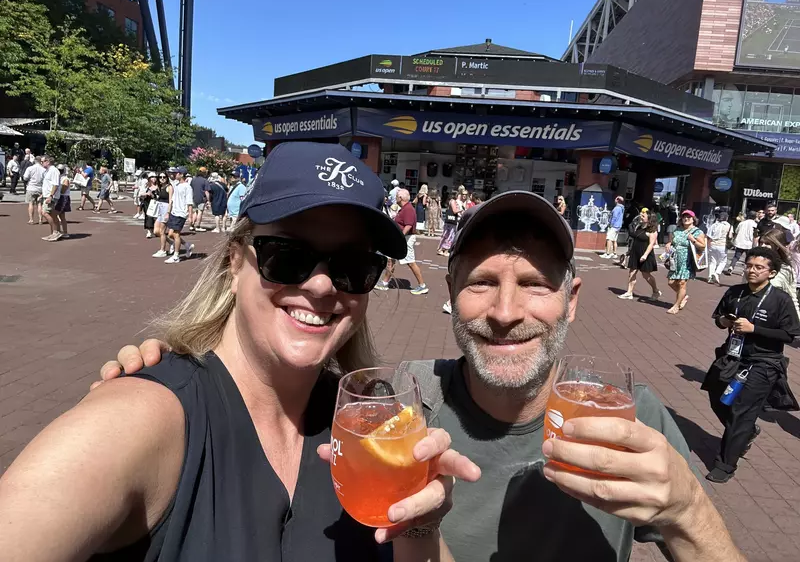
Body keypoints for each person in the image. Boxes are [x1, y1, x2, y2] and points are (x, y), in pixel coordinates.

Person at [106, 189, 749, 562]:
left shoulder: (622, 412)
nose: (504, 312)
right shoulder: (401, 401)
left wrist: (687, 508)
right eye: (480, 285)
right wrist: (172, 365)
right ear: (449, 291)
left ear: (572, 299)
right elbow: (279, 379)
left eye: (533, 285)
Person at [0, 142, 473, 561]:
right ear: (233, 263)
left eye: (354, 265)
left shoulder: (366, 425)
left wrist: (419, 523)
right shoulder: (138, 420)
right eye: (287, 255)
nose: (322, 284)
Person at [703, 247, 800, 483]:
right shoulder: (735, 292)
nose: (751, 270)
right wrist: (724, 320)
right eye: (749, 265)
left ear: (772, 272)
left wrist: (754, 329)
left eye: (758, 267)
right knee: (717, 397)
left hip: (763, 363)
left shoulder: (780, 300)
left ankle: (725, 465)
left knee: (741, 413)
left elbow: (791, 335)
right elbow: (719, 319)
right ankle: (746, 432)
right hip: (731, 357)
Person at [374, 188, 429, 295]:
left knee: (410, 262)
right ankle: (385, 283)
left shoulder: (408, 209)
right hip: (402, 238)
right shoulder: (404, 208)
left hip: (406, 239)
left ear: (400, 198)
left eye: (397, 196)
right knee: (391, 259)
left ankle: (422, 285)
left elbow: (408, 225)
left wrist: (400, 237)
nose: (395, 198)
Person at [665, 210, 706, 315]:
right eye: (684, 217)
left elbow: (703, 246)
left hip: (687, 260)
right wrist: (669, 243)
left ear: (693, 219)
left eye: (689, 217)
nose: (686, 219)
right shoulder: (677, 230)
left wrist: (693, 240)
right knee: (671, 282)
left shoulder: (697, 232)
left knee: (682, 283)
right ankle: (683, 297)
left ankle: (676, 305)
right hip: (675, 260)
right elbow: (672, 241)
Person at [618, 210, 661, 300]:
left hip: (645, 254)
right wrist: (629, 251)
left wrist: (645, 255)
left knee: (646, 275)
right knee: (632, 273)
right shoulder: (639, 227)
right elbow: (634, 238)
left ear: (649, 219)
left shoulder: (653, 231)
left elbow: (651, 244)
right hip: (635, 252)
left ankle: (656, 291)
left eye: (643, 216)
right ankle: (629, 292)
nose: (641, 217)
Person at [759, 228, 800, 319]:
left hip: (773, 316)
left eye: (767, 244)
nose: (763, 246)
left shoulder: (785, 269)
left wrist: (797, 320)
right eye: (761, 242)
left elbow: (792, 298)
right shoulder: (752, 264)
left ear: (777, 246)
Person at [164, 166, 195, 264]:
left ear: (181, 175)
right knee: (170, 234)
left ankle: (176, 256)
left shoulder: (187, 187)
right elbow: (172, 200)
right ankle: (187, 245)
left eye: (177, 173)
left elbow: (189, 202)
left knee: (176, 234)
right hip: (174, 212)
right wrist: (168, 212)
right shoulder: (176, 185)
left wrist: (190, 216)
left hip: (181, 213)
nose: (174, 174)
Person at [724, 210, 757, 275]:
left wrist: (734, 240)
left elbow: (736, 231)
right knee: (748, 258)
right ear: (755, 217)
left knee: (736, 257)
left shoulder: (742, 223)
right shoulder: (755, 224)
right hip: (749, 244)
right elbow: (755, 235)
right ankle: (744, 271)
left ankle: (731, 267)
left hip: (740, 242)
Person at [438, 188, 466, 256]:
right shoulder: (453, 201)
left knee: (446, 234)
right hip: (452, 220)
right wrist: (460, 210)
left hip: (449, 221)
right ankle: (446, 250)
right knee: (450, 235)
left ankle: (441, 249)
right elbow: (454, 211)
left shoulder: (450, 201)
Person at [152, 173, 175, 258]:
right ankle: (171, 242)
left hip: (165, 209)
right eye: (160, 177)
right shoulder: (160, 187)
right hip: (160, 209)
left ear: (167, 178)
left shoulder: (169, 187)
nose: (162, 179)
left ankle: (163, 250)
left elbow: (170, 201)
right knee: (156, 231)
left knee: (162, 231)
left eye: (164, 177)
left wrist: (168, 213)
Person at [706, 212, 733, 285]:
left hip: (713, 245)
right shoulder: (729, 226)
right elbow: (730, 237)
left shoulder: (714, 225)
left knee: (712, 261)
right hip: (722, 245)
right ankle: (717, 273)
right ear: (726, 218)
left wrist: (708, 245)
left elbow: (708, 236)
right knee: (723, 261)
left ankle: (710, 277)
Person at [40, 155, 62, 242]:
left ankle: (55, 232)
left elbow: (55, 184)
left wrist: (51, 196)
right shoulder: (48, 171)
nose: (41, 163)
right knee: (52, 214)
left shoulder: (54, 171)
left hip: (51, 196)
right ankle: (55, 232)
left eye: (42, 161)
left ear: (47, 161)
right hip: (47, 195)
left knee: (45, 212)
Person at [22, 156, 45, 225]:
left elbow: (25, 178)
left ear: (34, 161)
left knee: (31, 203)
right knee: (39, 204)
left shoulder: (30, 168)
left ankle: (31, 219)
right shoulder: (43, 169)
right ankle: (40, 219)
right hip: (40, 188)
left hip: (31, 188)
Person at [190, 166, 211, 232]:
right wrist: (208, 200)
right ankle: (198, 226)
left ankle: (192, 225)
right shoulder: (205, 181)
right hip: (201, 198)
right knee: (200, 212)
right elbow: (206, 191)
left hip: (193, 197)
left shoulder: (193, 179)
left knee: (195, 211)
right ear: (204, 173)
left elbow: (191, 188)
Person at [53, 164, 72, 239]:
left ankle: (59, 231)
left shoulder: (65, 179)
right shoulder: (58, 177)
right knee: (61, 216)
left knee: (55, 214)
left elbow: (63, 190)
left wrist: (56, 190)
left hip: (63, 198)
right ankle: (63, 232)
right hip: (59, 197)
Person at [141, 172, 159, 239]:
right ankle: (149, 231)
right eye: (152, 177)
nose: (153, 179)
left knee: (155, 217)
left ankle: (155, 230)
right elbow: (141, 193)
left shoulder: (158, 186)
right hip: (147, 202)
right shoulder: (146, 186)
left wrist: (153, 195)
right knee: (148, 216)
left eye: (154, 177)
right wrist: (145, 194)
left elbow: (159, 196)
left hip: (155, 203)